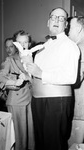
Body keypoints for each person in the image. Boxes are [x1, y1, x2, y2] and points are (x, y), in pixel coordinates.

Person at [21, 8, 80, 150]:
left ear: (65, 25)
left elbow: (71, 77)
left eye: (61, 19)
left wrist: (40, 73)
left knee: (53, 144)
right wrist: (28, 65)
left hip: (56, 101)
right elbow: (36, 75)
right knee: (41, 144)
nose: (56, 21)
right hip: (37, 100)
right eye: (53, 17)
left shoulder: (70, 46)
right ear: (48, 22)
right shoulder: (42, 47)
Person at [0, 35, 35, 150]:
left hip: (30, 99)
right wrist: (14, 82)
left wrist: (29, 77)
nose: (22, 45)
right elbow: (0, 78)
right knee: (19, 134)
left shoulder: (31, 57)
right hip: (16, 101)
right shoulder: (10, 60)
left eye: (25, 42)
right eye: (19, 43)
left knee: (30, 133)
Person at [68, 16, 84, 142]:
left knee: (74, 144)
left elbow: (74, 79)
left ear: (78, 29)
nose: (68, 30)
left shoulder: (79, 48)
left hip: (79, 109)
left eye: (70, 27)